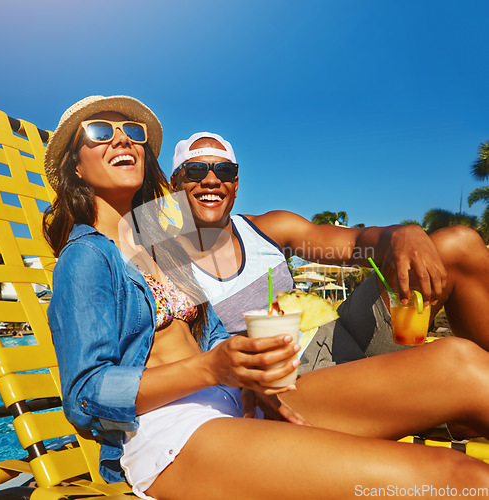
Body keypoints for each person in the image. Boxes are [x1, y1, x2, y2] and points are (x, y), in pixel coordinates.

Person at [43, 95, 489, 499]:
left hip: (245, 399)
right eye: (100, 132)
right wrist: (211, 367)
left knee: (460, 362)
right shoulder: (86, 258)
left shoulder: (161, 247)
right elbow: (85, 395)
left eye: (132, 132)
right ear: (76, 167)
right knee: (458, 478)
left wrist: (241, 372)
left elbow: (214, 334)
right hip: (174, 433)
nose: (122, 138)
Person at [170, 132, 489, 372]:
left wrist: (399, 235)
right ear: (175, 184)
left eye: (224, 172)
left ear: (235, 184)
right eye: (196, 170)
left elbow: (356, 244)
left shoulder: (270, 229)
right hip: (282, 379)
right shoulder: (162, 259)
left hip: (340, 338)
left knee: (457, 243)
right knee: (458, 367)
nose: (211, 180)